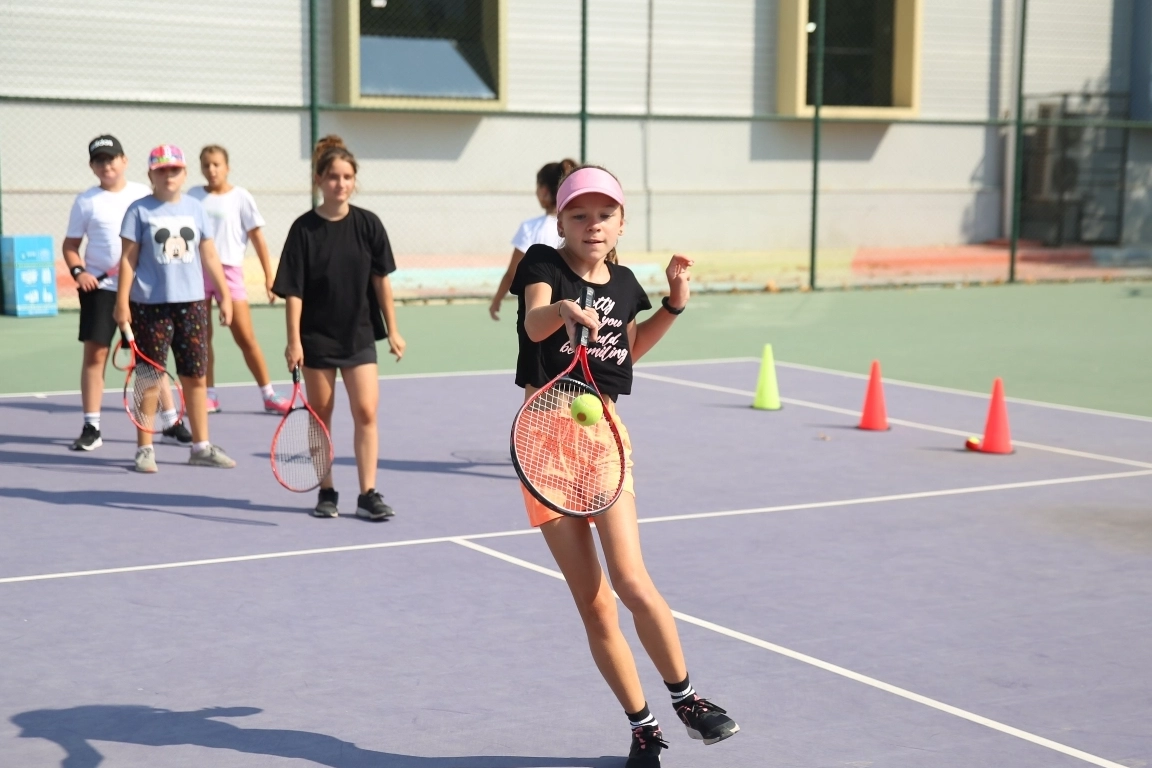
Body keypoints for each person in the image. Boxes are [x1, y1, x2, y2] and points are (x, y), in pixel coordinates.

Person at [509, 165, 739, 767]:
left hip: (604, 440)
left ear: (620, 223)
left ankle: (687, 700)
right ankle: (643, 728)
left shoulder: (627, 284)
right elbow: (534, 324)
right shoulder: (542, 265)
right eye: (579, 215)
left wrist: (674, 305)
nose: (593, 225)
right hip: (546, 443)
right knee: (595, 604)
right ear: (560, 222)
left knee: (631, 580)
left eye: (604, 215)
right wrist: (562, 309)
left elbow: (628, 351)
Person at [272, 135, 406, 520]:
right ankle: (326, 490)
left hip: (359, 334)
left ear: (354, 181)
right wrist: (293, 341)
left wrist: (393, 329)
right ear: (319, 179)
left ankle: (368, 494)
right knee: (321, 414)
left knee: (366, 411)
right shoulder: (303, 230)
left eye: (347, 177)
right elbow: (293, 292)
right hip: (316, 339)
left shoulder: (368, 224)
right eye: (333, 176)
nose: (340, 183)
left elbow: (381, 281)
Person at [63, 135, 192, 451]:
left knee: (151, 357)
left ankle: (171, 421)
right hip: (101, 290)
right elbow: (70, 245)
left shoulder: (143, 195)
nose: (106, 165)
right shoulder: (86, 201)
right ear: (92, 166)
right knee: (96, 355)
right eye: (99, 160)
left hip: (143, 291)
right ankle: (92, 427)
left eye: (111, 158)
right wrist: (80, 272)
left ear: (124, 161)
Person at [113, 145, 237, 473]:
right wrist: (122, 302)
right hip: (149, 306)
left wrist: (224, 295)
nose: (168, 175)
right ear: (150, 174)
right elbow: (128, 259)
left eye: (175, 169)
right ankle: (145, 449)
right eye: (162, 170)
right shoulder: (138, 211)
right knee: (149, 377)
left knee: (195, 376)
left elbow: (209, 255)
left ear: (184, 174)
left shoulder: (196, 208)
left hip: (192, 305)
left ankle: (201, 447)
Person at [188, 145, 289, 415]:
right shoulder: (193, 196)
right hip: (197, 272)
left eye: (217, 164)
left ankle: (268, 394)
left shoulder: (241, 197)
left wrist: (269, 277)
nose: (212, 170)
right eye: (206, 165)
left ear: (227, 167)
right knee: (201, 338)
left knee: (245, 337)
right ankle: (209, 396)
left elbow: (258, 239)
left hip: (230, 273)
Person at [489, 158, 577, 320]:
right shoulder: (577, 226)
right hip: (575, 309)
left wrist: (496, 300)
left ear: (543, 191)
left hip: (539, 314)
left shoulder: (529, 228)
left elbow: (512, 274)